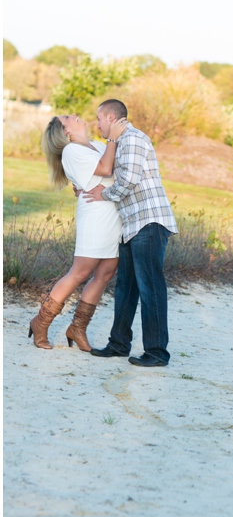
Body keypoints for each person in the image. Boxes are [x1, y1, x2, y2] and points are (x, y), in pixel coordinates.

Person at [82, 99, 178, 367]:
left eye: (99, 119)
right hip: (131, 225)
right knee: (126, 287)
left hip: (149, 222)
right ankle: (119, 344)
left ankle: (157, 353)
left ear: (111, 118)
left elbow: (128, 181)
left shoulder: (134, 139)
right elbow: (105, 168)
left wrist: (104, 194)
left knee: (151, 288)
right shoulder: (119, 142)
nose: (97, 124)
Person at [28, 114, 128, 350]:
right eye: (67, 118)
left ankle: (77, 328)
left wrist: (110, 144)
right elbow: (105, 168)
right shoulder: (71, 151)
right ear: (65, 132)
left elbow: (119, 169)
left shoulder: (99, 145)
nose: (73, 115)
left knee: (105, 272)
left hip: (114, 215)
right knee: (80, 272)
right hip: (95, 216)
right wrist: (113, 141)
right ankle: (41, 322)